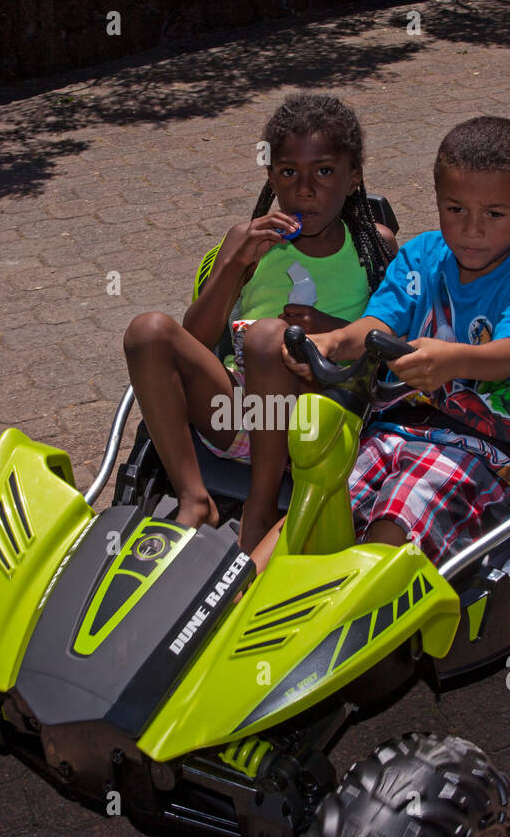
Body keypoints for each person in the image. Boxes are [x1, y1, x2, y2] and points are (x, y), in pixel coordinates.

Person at [123, 93, 396, 553]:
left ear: (354, 179)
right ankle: (195, 498)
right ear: (271, 178)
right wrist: (234, 266)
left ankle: (261, 506)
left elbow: (391, 337)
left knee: (271, 337)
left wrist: (327, 327)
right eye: (289, 173)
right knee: (147, 330)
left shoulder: (375, 247)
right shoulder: (245, 239)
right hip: (238, 412)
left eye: (324, 172)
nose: (304, 188)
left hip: (319, 418)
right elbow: (196, 342)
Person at [281, 115, 510, 565]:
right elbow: (375, 326)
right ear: (437, 200)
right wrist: (332, 344)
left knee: (394, 527)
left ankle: (360, 619)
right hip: (395, 426)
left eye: (494, 214)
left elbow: (509, 355)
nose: (471, 229)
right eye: (455, 209)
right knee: (315, 501)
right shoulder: (422, 256)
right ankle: (236, 599)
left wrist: (452, 360)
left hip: (485, 446)